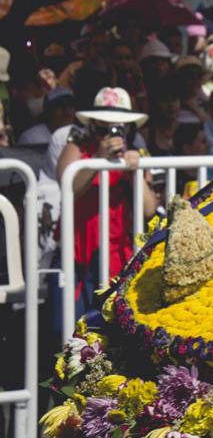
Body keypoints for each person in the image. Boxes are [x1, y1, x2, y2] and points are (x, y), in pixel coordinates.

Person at [56, 87, 157, 316]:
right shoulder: (77, 149)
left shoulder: (135, 155)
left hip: (117, 255)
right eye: (103, 127)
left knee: (108, 327)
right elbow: (67, 188)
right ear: (92, 125)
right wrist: (98, 159)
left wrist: (134, 172)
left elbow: (149, 208)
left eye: (118, 128)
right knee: (65, 326)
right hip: (76, 254)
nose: (110, 135)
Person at [141, 85, 181, 156]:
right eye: (165, 100)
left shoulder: (187, 129)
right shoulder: (145, 134)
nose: (170, 105)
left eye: (174, 100)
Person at [173, 123, 210, 197]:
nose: (208, 145)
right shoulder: (173, 180)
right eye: (203, 141)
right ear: (187, 148)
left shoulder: (212, 174)